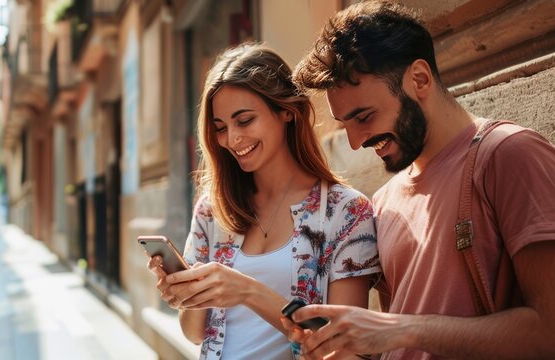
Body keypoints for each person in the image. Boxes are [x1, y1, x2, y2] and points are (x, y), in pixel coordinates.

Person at [281, 2, 555, 359]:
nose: (355, 141)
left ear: (420, 79)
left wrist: (397, 329)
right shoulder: (383, 203)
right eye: (345, 124)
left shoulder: (511, 155)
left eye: (364, 116)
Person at [146, 43, 381, 360]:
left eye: (244, 121)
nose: (232, 139)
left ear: (286, 110)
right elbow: (195, 332)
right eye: (220, 128)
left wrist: (248, 291)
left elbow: (343, 349)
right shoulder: (212, 209)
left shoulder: (345, 212)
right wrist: (185, 293)